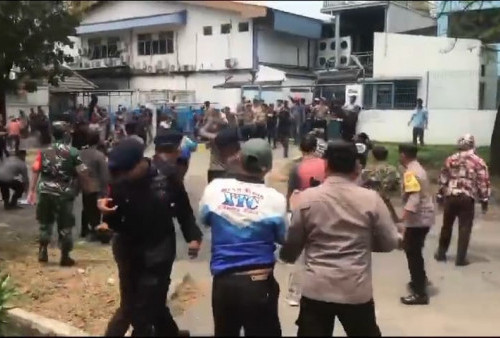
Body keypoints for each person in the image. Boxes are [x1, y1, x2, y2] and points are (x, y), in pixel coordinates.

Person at [280, 140, 401, 337]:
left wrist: (286, 257)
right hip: (355, 289)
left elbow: (293, 241)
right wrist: (363, 243)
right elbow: (389, 242)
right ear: (356, 166)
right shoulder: (371, 199)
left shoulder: (307, 198)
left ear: (326, 165)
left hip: (317, 289)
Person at [99, 137, 202, 336]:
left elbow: (184, 211)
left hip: (159, 250)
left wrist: (193, 237)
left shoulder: (167, 177)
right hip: (128, 250)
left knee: (143, 309)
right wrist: (106, 216)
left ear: (140, 163)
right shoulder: (119, 180)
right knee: (135, 304)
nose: (123, 176)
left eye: (127, 171)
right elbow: (112, 218)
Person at [199, 138, 286, 336]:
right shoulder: (275, 200)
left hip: (223, 283)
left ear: (239, 159)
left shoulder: (215, 188)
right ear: (268, 167)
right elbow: (283, 237)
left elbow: (204, 219)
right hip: (259, 282)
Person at [27, 121, 91, 266]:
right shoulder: (73, 152)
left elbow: (35, 170)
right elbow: (83, 173)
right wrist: (87, 188)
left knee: (45, 223)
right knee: (65, 225)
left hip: (45, 191)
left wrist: (31, 191)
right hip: (64, 194)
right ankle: (65, 256)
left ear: (52, 134)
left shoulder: (43, 152)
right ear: (66, 134)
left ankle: (43, 250)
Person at [435, 134, 490, 266]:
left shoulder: (451, 159)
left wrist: (440, 195)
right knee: (465, 227)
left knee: (446, 225)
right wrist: (484, 199)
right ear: (472, 145)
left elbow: (443, 178)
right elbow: (483, 181)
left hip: (451, 196)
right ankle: (460, 258)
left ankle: (441, 253)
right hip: (467, 197)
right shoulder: (478, 161)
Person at [285, 134, 327, 307]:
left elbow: (292, 192)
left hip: (302, 211)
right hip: (324, 211)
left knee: (300, 255)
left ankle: (295, 295)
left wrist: (289, 212)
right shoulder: (326, 165)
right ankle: (320, 291)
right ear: (315, 148)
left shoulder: (297, 168)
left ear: (301, 148)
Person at [398, 144, 435, 305]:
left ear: (403, 155)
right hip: (425, 217)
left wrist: (403, 219)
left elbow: (414, 197)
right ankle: (420, 280)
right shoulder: (418, 168)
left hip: (418, 219)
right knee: (415, 250)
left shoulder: (410, 172)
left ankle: (420, 293)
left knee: (412, 253)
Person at [79, 130, 109, 241]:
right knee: (95, 210)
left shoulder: (81, 153)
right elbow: (104, 173)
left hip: (84, 184)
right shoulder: (99, 156)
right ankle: (95, 231)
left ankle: (84, 229)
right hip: (96, 186)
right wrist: (105, 189)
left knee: (86, 207)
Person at [360, 146, 401, 223]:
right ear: (386, 155)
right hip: (386, 202)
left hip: (369, 203)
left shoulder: (367, 170)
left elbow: (361, 185)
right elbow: (396, 185)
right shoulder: (392, 169)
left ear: (373, 156)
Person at [199, 109, 228, 183]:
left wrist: (211, 121)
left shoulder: (221, 136)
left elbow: (202, 132)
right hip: (216, 167)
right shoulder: (220, 134)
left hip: (221, 169)